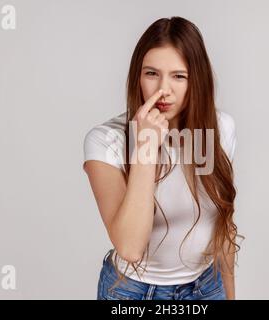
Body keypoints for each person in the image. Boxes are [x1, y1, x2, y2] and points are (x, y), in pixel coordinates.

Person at [83, 16, 242, 300]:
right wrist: (145, 146)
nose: (163, 90)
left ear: (197, 80)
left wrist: (230, 295)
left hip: (206, 286)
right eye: (151, 73)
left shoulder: (219, 130)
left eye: (179, 76)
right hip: (134, 293)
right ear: (137, 77)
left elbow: (223, 228)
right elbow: (130, 246)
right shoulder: (107, 141)